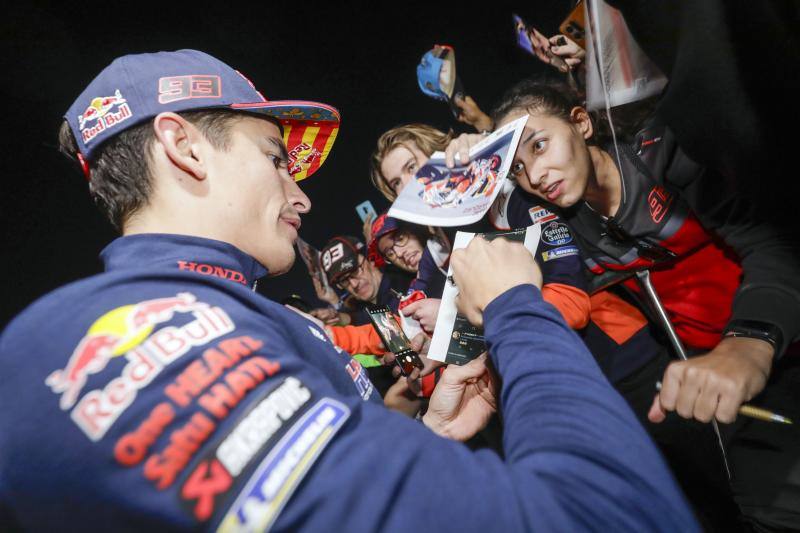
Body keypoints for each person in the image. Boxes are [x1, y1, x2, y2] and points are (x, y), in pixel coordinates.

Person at [0, 49, 698, 532]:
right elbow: (608, 516)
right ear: (184, 146)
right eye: (276, 160)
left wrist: (420, 436)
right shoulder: (132, 337)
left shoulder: (256, 317)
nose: (300, 196)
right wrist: (517, 308)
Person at [480, 76, 800, 530]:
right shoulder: (561, 220)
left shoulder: (666, 151)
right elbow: (499, 248)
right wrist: (471, 170)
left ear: (580, 123)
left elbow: (774, 243)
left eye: (539, 146)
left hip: (768, 339)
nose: (534, 177)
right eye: (516, 169)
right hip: (724, 384)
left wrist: (747, 343)